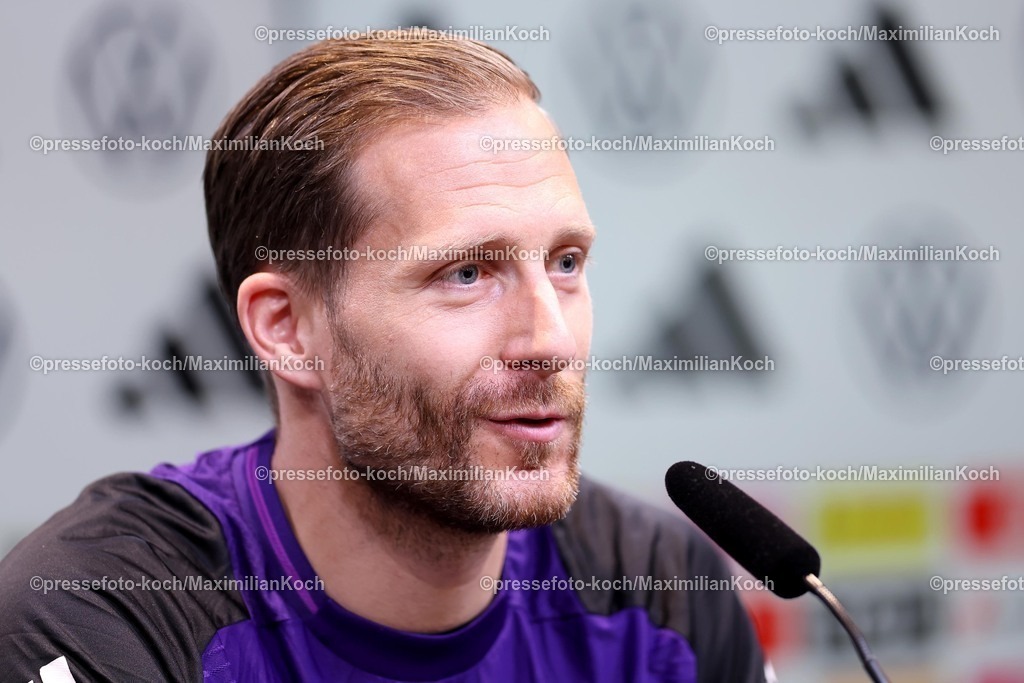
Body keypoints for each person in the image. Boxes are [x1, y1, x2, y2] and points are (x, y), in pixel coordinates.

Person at [0, 36, 767, 682]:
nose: (552, 340)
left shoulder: (656, 588)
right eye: (466, 273)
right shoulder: (107, 612)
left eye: (565, 263)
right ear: (288, 328)